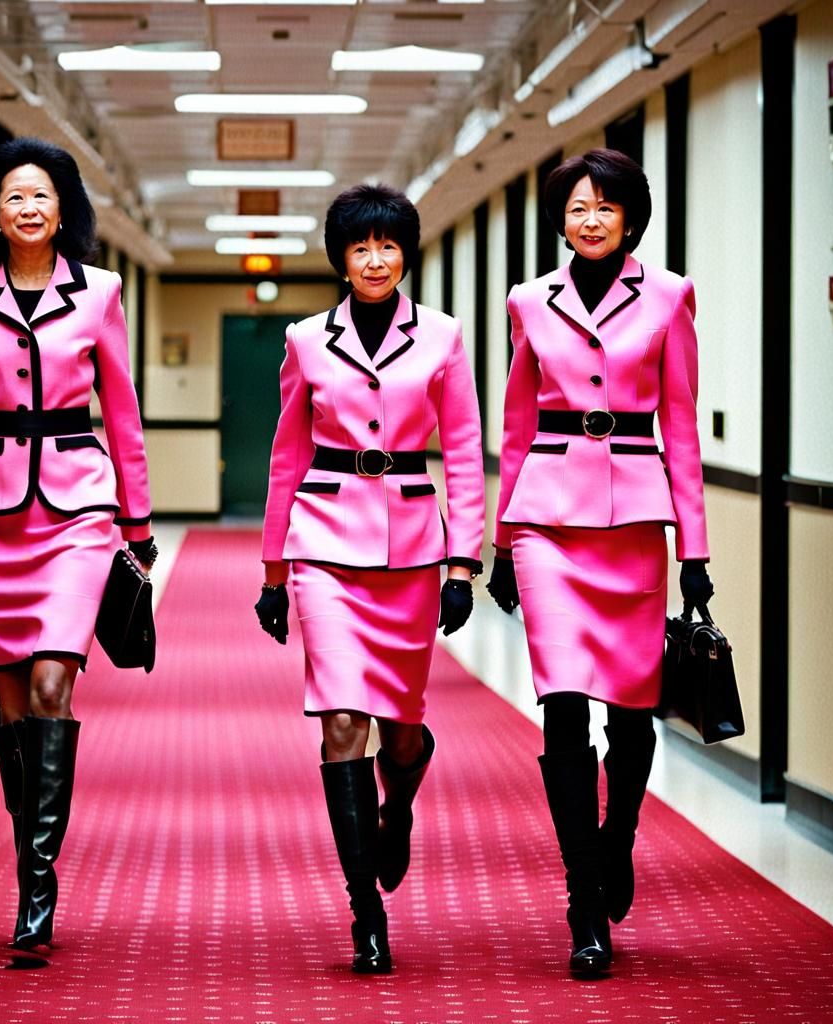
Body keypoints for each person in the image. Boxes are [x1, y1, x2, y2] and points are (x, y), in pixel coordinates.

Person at [0, 136, 156, 962]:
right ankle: (30, 865)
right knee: (15, 709)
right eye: (13, 195)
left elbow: (121, 412)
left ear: (64, 209)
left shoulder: (101, 294)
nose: (28, 208)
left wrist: (139, 524)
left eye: (42, 195)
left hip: (79, 509)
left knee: (55, 680)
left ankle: (38, 894)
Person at [488, 148, 714, 976]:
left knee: (630, 710)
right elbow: (516, 427)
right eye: (576, 206)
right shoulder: (527, 301)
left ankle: (616, 842)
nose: (589, 218)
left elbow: (682, 429)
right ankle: (585, 901)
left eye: (605, 207)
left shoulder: (670, 296)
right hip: (547, 516)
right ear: (561, 217)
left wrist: (695, 548)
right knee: (563, 705)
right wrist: (505, 542)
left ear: (630, 217)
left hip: (633, 521)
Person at [255, 184, 485, 974]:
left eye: (388, 245)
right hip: (324, 540)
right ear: (341, 260)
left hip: (414, 548)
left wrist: (464, 562)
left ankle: (399, 808)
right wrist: (274, 569)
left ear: (405, 253)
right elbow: (287, 455)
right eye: (360, 248)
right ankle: (365, 912)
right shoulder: (308, 340)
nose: (376, 259)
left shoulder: (445, 338)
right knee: (341, 720)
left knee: (403, 726)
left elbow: (462, 452)